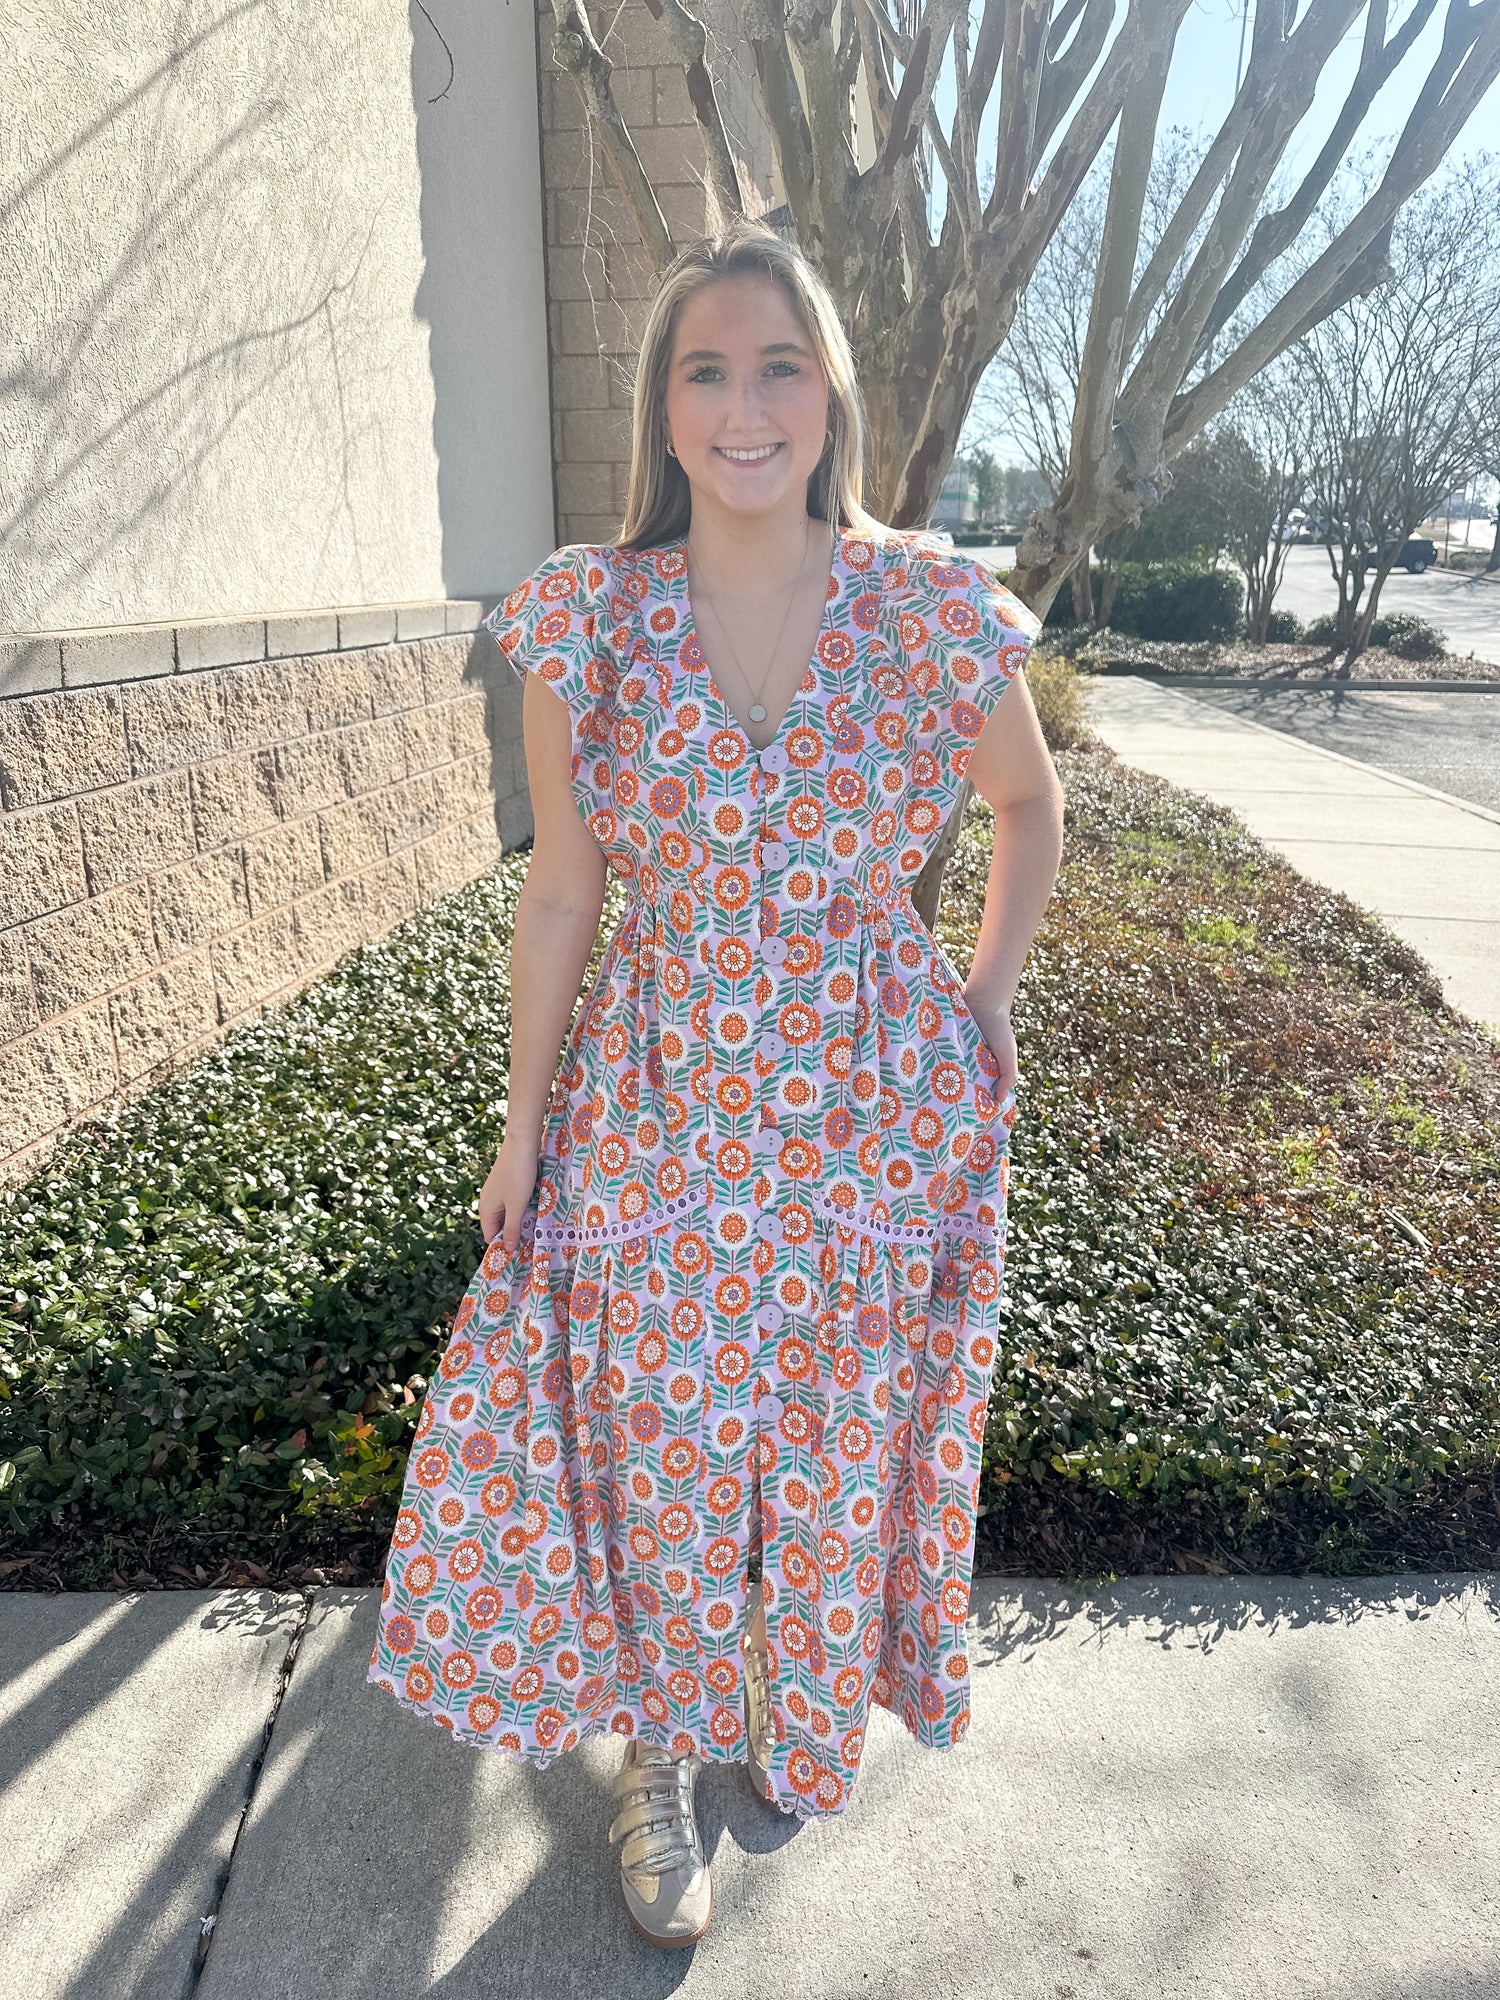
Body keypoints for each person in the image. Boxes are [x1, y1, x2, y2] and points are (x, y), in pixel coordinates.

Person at [368, 219, 1064, 1948]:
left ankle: (787, 1705)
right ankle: (658, 1760)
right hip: (655, 1097)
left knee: (828, 1440)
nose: (744, 408)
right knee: (660, 1444)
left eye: (777, 368)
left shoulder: (926, 609)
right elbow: (562, 889)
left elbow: (1028, 808)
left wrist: (981, 998)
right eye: (706, 372)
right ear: (665, 411)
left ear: (828, 392)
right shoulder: (591, 619)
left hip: (869, 1111)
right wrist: (521, 1130)